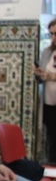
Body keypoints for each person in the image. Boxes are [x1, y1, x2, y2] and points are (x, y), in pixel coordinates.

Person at [35, 17, 56, 162]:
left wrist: (52, 76)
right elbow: (42, 77)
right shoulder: (47, 53)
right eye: (52, 34)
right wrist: (39, 74)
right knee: (52, 137)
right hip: (49, 103)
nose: (54, 37)